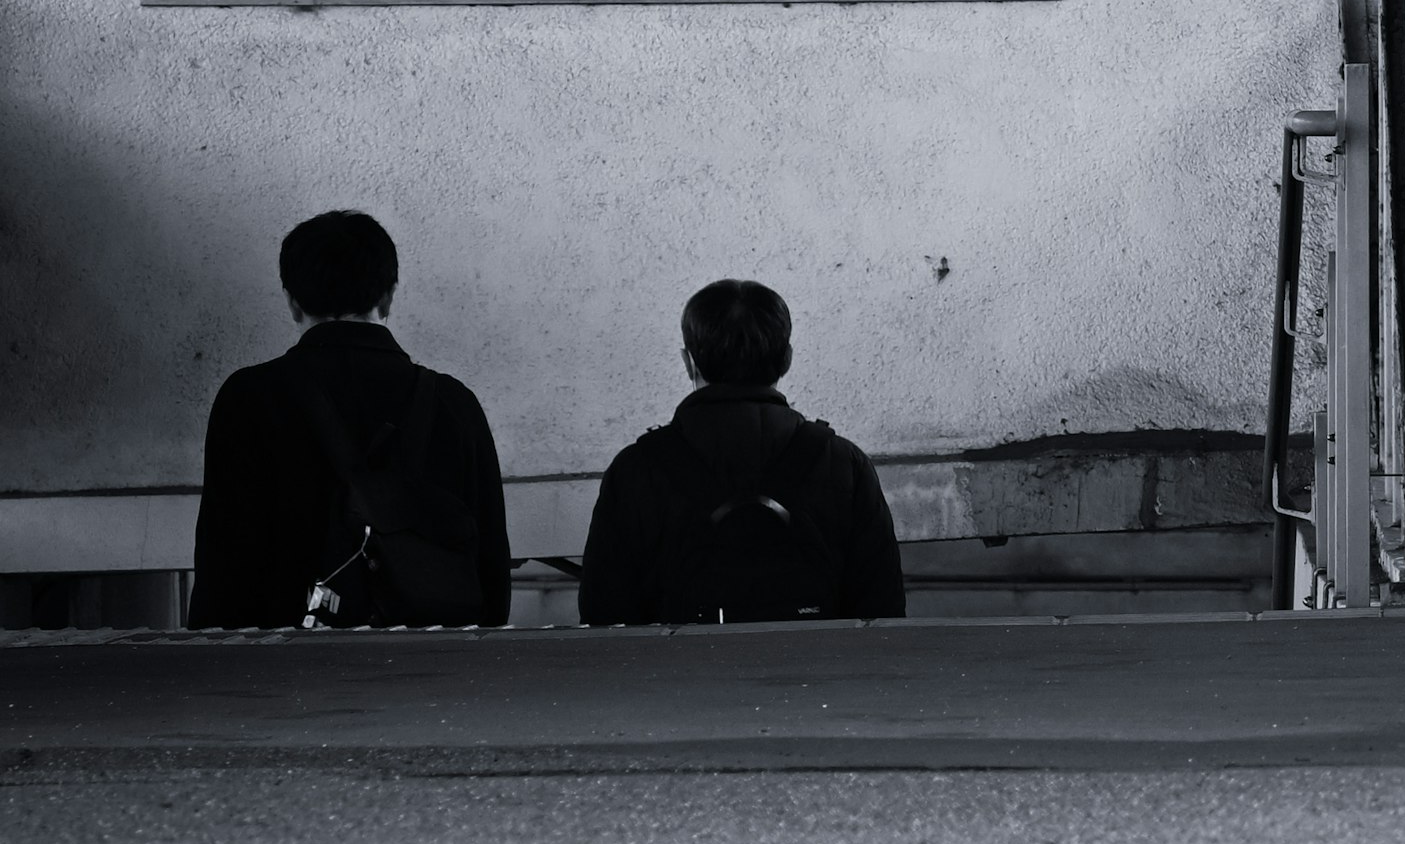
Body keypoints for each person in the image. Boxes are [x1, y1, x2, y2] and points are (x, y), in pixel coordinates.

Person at [189, 211, 512, 633]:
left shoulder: (249, 398)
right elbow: (490, 569)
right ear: (389, 296)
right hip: (434, 665)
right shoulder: (454, 404)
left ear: (292, 301)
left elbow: (224, 564)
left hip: (283, 670)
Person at [579, 278, 905, 629]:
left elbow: (605, 614)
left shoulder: (636, 469)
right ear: (787, 359)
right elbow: (881, 611)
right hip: (814, 675)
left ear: (688, 363)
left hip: (677, 678)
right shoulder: (844, 463)